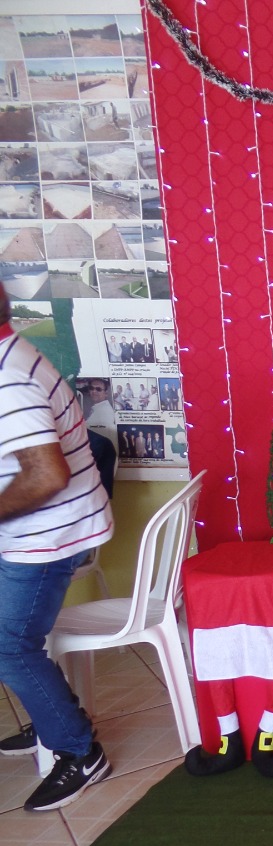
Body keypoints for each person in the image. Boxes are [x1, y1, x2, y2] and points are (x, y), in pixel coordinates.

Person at [0, 284, 115, 812]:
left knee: (10, 646)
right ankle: (53, 716)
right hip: (48, 530)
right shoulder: (14, 353)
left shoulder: (9, 379)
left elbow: (47, 474)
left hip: (48, 538)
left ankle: (78, 750)